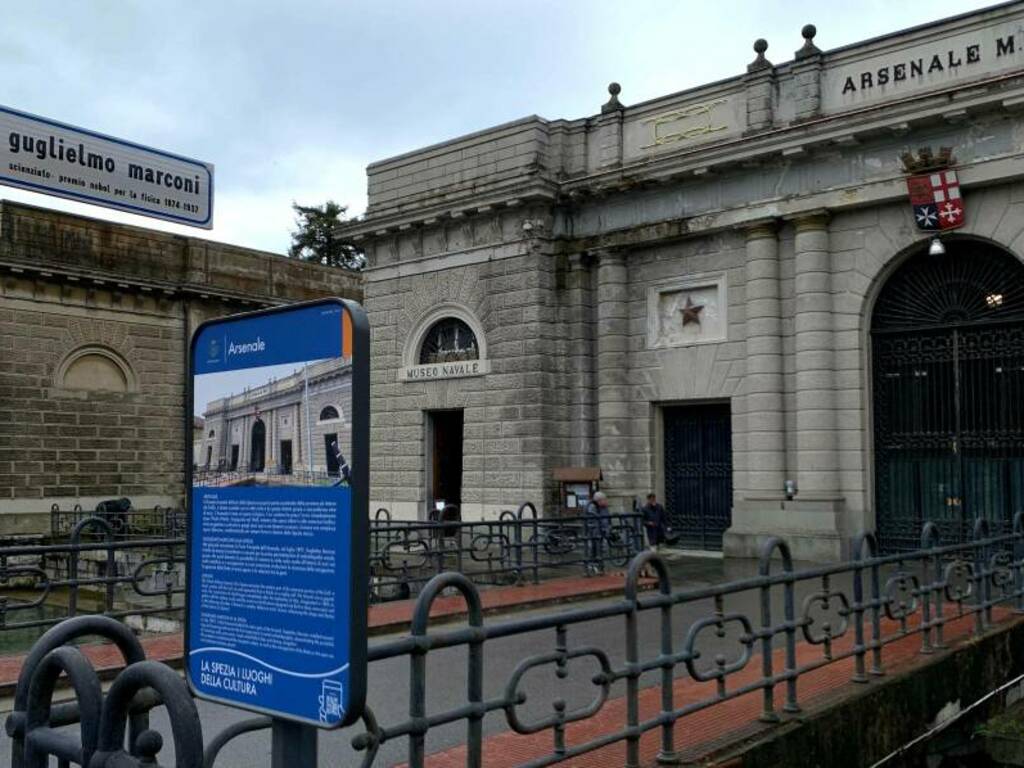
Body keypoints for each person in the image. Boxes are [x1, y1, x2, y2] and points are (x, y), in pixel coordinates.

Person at [584, 491, 611, 575]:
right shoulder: (591, 507)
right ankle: (592, 566)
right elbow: (593, 521)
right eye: (604, 499)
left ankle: (599, 566)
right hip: (594, 532)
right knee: (593, 549)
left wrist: (608, 528)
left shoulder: (604, 507)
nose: (606, 501)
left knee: (602, 549)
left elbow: (607, 519)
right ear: (599, 500)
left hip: (602, 531)